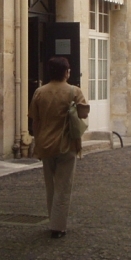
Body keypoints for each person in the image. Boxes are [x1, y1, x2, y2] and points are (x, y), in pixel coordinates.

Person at [28, 56, 89, 239]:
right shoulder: (73, 91)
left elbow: (34, 118)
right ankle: (58, 226)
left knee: (51, 186)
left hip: (45, 144)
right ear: (66, 72)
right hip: (66, 144)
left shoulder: (40, 91)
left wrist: (37, 142)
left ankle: (52, 220)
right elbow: (84, 112)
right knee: (63, 186)